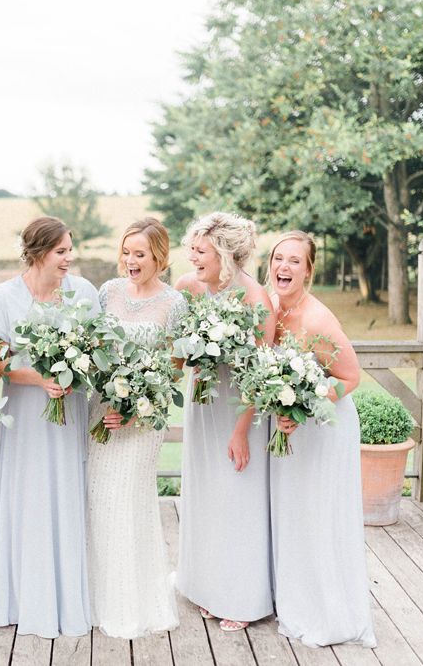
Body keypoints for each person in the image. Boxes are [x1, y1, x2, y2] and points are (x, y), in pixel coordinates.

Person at [0, 216, 98, 638]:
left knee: (64, 493)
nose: (70, 258)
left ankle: (67, 598)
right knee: (30, 495)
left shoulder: (82, 292)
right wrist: (40, 377)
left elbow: (97, 347)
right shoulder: (4, 297)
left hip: (69, 414)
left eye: (71, 249)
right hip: (27, 416)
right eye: (62, 251)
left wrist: (75, 371)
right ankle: (24, 597)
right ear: (37, 253)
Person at [268, 230, 376, 648]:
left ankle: (328, 609)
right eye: (279, 258)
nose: (284, 267)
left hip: (324, 427)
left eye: (295, 261)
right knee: (293, 511)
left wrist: (300, 407)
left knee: (318, 513)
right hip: (290, 428)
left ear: (309, 270)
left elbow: (350, 377)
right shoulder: (273, 309)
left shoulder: (317, 319)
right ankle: (294, 595)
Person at [174, 212, 276, 632]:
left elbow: (261, 373)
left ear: (225, 254)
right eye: (192, 249)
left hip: (238, 410)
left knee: (237, 498)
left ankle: (242, 597)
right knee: (207, 494)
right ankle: (208, 586)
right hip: (202, 405)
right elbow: (176, 353)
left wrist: (241, 431)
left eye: (201, 251)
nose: (193, 257)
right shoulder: (188, 288)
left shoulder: (255, 300)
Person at [87, 218, 184, 638]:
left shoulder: (174, 303)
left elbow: (175, 369)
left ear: (158, 257)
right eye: (126, 252)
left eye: (139, 254)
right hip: (101, 413)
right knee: (99, 499)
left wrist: (136, 409)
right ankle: (96, 597)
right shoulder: (107, 292)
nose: (130, 260)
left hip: (142, 420)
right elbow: (91, 349)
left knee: (128, 501)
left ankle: (131, 604)